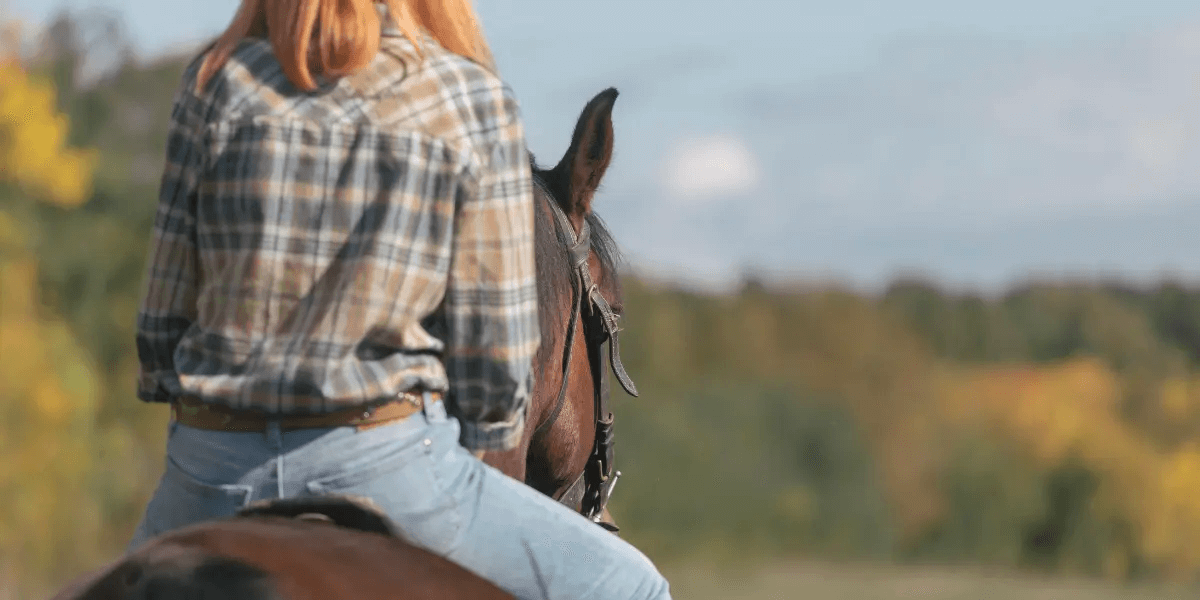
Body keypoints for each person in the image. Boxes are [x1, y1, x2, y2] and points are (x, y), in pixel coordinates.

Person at [127, 0, 672, 598]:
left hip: (209, 465)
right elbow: (496, 375)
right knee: (632, 584)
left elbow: (159, 338)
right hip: (383, 463)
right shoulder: (468, 98)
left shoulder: (216, 78)